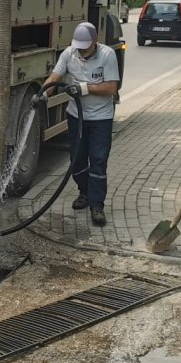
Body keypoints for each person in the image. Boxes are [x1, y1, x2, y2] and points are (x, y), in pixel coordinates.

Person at [40, 22, 120, 225]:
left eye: (86, 46)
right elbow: (55, 77)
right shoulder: (69, 53)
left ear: (95, 41)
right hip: (76, 117)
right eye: (79, 46)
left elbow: (111, 87)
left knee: (98, 160)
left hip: (101, 118)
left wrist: (83, 89)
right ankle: (84, 192)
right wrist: (41, 94)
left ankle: (97, 205)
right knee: (77, 160)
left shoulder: (107, 55)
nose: (82, 50)